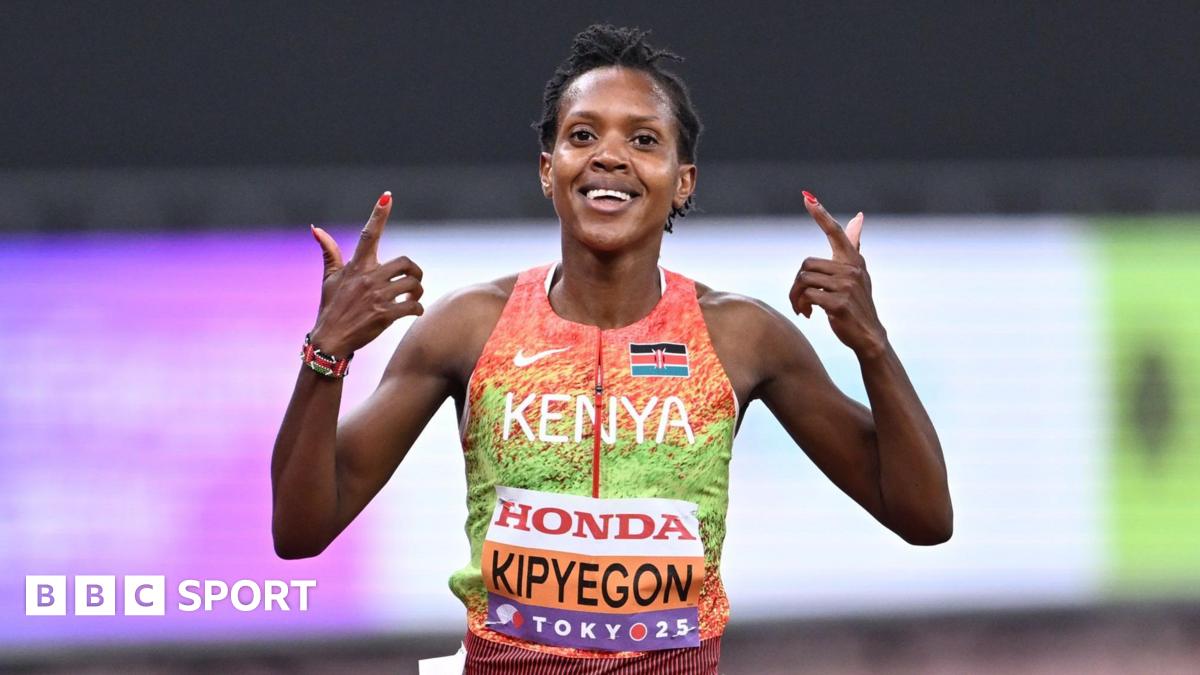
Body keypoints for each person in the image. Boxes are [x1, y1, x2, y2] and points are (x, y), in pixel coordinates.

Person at [271, 24, 952, 674]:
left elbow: (923, 517)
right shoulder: (468, 326)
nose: (609, 156)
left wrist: (872, 344)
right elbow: (300, 530)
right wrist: (327, 351)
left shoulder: (740, 335)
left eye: (644, 139)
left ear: (683, 180)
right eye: (582, 135)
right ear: (549, 169)